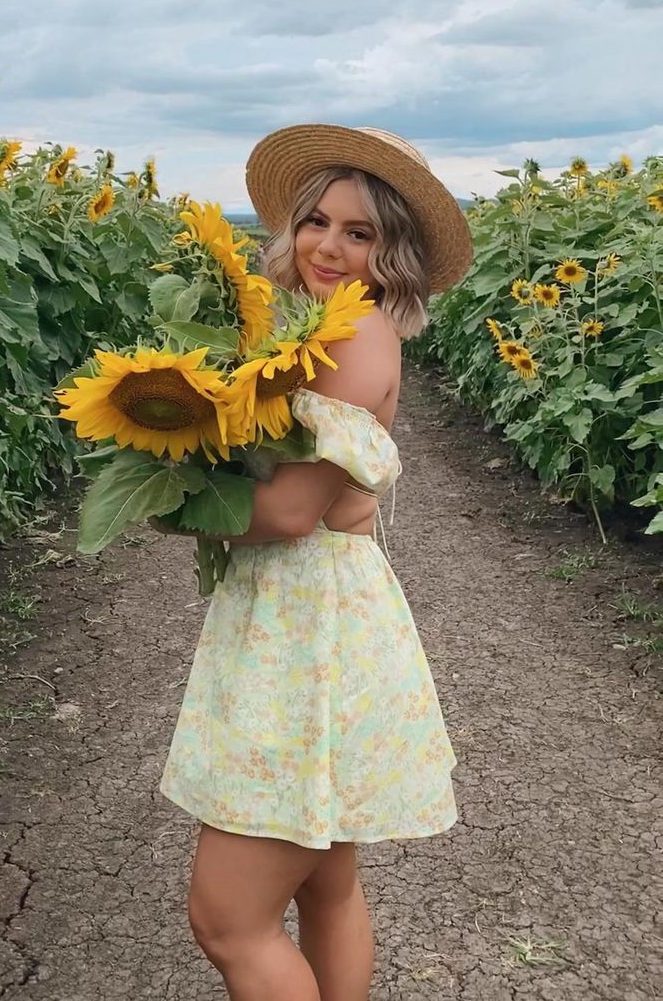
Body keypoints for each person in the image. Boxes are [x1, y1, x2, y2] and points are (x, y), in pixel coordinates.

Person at [156, 123, 473, 1001]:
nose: (330, 246)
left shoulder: (352, 338)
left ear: (391, 252)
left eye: (360, 233)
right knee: (328, 888)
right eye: (318, 222)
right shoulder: (328, 327)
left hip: (306, 634)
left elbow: (292, 512)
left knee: (228, 921)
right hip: (326, 616)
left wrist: (166, 494)